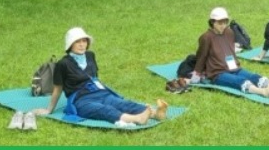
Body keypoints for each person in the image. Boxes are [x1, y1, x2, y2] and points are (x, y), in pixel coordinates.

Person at [32, 27, 168, 127]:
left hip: (99, 92)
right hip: (81, 99)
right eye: (77, 42)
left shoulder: (90, 55)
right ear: (70, 45)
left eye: (84, 41)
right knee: (104, 110)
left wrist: (101, 92)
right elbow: (58, 88)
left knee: (121, 103)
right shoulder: (63, 64)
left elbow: (94, 77)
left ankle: (155, 114)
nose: (82, 44)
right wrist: (49, 110)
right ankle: (137, 119)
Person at [191, 7, 269, 98]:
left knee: (253, 76)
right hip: (218, 73)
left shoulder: (229, 32)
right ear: (212, 22)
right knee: (241, 81)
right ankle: (263, 92)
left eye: (225, 22)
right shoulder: (206, 37)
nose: (223, 25)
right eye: (220, 23)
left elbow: (230, 49)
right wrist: (197, 73)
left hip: (234, 67)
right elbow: (201, 56)